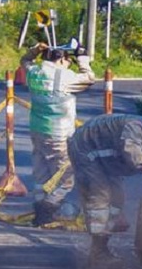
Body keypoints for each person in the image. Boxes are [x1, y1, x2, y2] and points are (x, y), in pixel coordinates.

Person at [69, 114, 142, 264]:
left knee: (117, 200)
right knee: (100, 196)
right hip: (85, 150)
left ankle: (101, 246)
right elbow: (130, 150)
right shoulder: (138, 127)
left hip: (104, 159)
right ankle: (98, 251)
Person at [20, 42, 95, 225]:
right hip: (59, 134)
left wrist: (35, 50)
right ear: (60, 59)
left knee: (42, 172)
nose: (69, 62)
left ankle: (39, 204)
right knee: (65, 176)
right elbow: (89, 78)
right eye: (68, 59)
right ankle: (47, 209)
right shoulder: (65, 77)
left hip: (37, 131)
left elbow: (25, 60)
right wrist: (82, 58)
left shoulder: (35, 73)